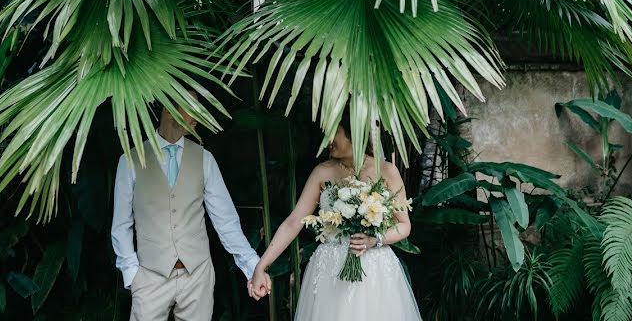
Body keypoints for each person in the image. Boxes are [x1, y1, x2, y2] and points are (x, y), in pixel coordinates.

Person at [249, 114, 422, 320]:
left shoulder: (386, 171)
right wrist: (261, 265)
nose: (327, 139)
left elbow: (404, 226)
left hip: (375, 271)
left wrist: (375, 240)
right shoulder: (322, 172)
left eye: (333, 133)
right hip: (329, 272)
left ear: (354, 133)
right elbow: (294, 222)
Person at [111, 95, 261, 321]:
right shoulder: (130, 160)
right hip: (150, 277)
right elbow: (121, 225)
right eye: (192, 107)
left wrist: (253, 266)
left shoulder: (204, 159)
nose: (199, 114)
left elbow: (225, 221)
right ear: (169, 109)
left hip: (197, 276)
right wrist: (132, 274)